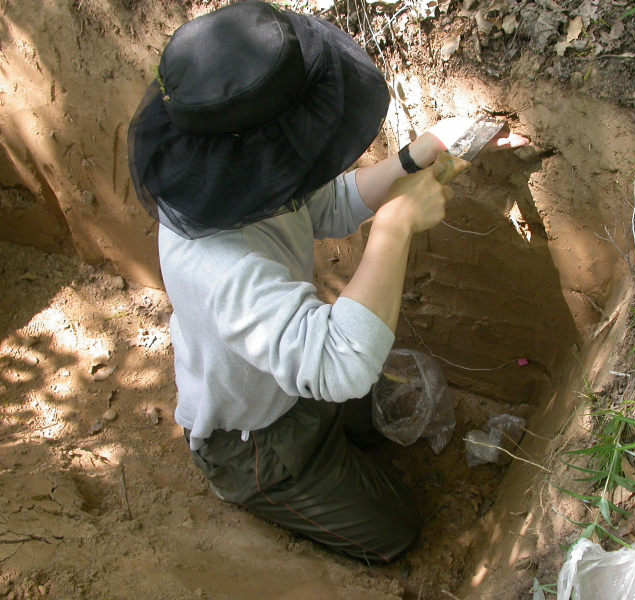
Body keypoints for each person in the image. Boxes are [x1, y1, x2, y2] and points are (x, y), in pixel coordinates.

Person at [128, 0, 526, 564]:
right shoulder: (217, 266)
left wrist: (417, 157)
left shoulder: (229, 173)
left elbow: (328, 202)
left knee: (389, 407)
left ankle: (331, 449)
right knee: (396, 530)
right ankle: (262, 490)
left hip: (293, 376)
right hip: (252, 442)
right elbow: (341, 362)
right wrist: (396, 223)